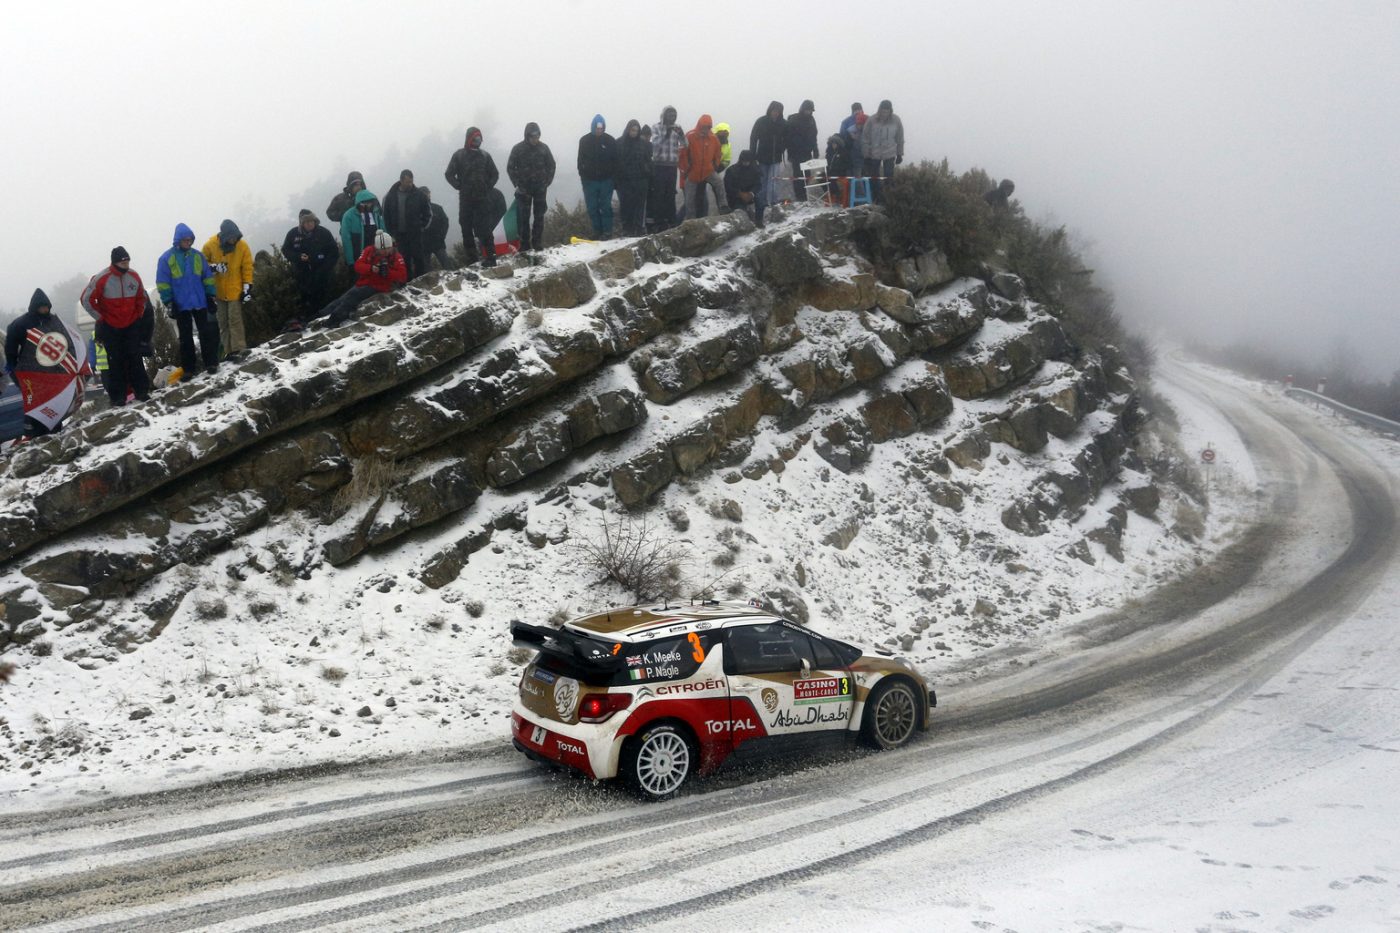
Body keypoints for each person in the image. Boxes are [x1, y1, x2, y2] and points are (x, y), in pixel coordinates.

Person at [4, 289, 92, 437]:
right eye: (42, 307)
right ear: (34, 307)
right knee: (34, 402)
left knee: (51, 400)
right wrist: (12, 364)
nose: (45, 310)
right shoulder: (20, 324)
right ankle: (34, 432)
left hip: (53, 371)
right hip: (30, 372)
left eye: (47, 307)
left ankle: (54, 428)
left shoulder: (54, 321)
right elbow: (11, 346)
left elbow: (65, 341)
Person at [80, 246, 150, 405]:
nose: (126, 265)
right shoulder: (102, 278)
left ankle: (142, 391)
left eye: (128, 261)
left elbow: (141, 297)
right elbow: (86, 299)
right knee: (115, 362)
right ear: (115, 262)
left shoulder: (134, 276)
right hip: (110, 327)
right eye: (123, 262)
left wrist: (138, 315)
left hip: (131, 325)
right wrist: (100, 318)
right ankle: (118, 397)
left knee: (135, 359)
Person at [156, 223, 219, 377]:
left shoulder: (198, 256)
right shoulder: (166, 258)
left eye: (190, 239)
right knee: (185, 338)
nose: (188, 242)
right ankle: (189, 369)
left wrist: (211, 296)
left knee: (206, 333)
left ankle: (211, 363)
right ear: (178, 240)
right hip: (180, 304)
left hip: (199, 301)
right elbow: (163, 282)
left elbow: (207, 277)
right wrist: (169, 302)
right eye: (185, 239)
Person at [312, 231, 407, 327]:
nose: (386, 251)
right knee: (340, 300)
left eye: (388, 248)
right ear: (376, 247)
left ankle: (334, 320)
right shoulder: (369, 251)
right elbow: (358, 265)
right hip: (364, 283)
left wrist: (387, 272)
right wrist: (371, 268)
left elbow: (402, 276)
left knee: (352, 297)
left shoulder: (397, 257)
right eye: (382, 249)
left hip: (381, 286)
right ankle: (317, 316)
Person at [444, 126, 500, 267]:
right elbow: (449, 174)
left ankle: (491, 257)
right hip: (466, 199)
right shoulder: (459, 155)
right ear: (469, 139)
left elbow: (495, 174)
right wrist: (459, 186)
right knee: (466, 228)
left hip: (483, 199)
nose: (478, 141)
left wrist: (487, 187)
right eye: (475, 138)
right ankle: (473, 260)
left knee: (485, 228)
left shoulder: (485, 156)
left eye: (480, 138)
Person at [202, 220, 254, 361]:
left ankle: (239, 349)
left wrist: (247, 286)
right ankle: (229, 351)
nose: (233, 240)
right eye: (230, 237)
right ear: (223, 235)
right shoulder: (210, 245)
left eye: (235, 237)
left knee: (235, 320)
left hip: (235, 290)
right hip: (218, 292)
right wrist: (215, 267)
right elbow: (201, 264)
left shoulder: (242, 246)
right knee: (223, 322)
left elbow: (247, 267)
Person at [280, 210, 339, 326]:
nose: (309, 224)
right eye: (306, 222)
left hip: (323, 273)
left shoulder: (323, 232)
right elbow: (285, 250)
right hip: (302, 275)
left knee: (326, 297)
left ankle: (328, 320)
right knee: (307, 300)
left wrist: (326, 268)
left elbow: (334, 252)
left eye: (311, 221)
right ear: (301, 223)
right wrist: (298, 257)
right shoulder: (293, 234)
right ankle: (310, 323)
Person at [507, 122, 556, 256]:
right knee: (524, 217)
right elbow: (510, 167)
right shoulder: (518, 149)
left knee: (539, 216)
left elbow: (551, 165)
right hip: (524, 190)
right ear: (527, 136)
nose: (536, 138)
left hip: (540, 188)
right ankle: (524, 244)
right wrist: (517, 183)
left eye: (538, 135)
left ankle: (537, 242)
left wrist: (547, 181)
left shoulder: (544, 148)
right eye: (533, 136)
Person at [383, 170, 432, 280]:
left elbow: (428, 213)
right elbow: (386, 216)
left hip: (415, 234)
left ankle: (421, 281)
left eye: (411, 181)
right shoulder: (390, 196)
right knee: (403, 260)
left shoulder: (419, 195)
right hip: (399, 235)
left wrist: (422, 227)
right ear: (401, 181)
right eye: (407, 182)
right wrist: (390, 233)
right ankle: (406, 283)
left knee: (418, 258)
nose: (410, 184)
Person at [679, 114, 727, 220]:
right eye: (704, 126)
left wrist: (715, 165)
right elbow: (683, 153)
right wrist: (686, 168)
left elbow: (718, 153)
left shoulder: (713, 138)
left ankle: (723, 206)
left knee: (719, 183)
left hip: (708, 170)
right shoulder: (690, 136)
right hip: (693, 173)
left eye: (708, 127)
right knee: (689, 199)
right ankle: (690, 219)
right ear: (700, 125)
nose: (706, 129)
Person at [577, 115, 617, 238]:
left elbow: (615, 161)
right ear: (593, 127)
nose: (599, 130)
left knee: (605, 206)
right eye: (597, 128)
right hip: (589, 181)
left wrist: (613, 178)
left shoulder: (610, 141)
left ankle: (607, 232)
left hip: (606, 180)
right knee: (592, 207)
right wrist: (584, 177)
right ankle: (597, 231)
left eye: (601, 128)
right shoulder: (584, 141)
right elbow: (580, 161)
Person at [649, 106, 686, 232]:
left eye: (674, 115)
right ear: (664, 115)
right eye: (670, 115)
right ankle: (658, 222)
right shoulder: (656, 127)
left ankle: (671, 220)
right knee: (659, 194)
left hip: (672, 166)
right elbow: (655, 144)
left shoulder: (677, 127)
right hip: (659, 165)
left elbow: (685, 144)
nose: (672, 117)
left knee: (670, 194)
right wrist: (667, 132)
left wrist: (681, 134)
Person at [861, 99, 904, 205]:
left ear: (890, 110)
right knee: (873, 178)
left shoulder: (896, 120)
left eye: (887, 111)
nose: (885, 113)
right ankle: (875, 199)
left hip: (890, 153)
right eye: (883, 111)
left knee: (888, 177)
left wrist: (899, 154)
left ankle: (888, 200)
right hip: (874, 154)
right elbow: (865, 138)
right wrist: (866, 155)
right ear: (879, 110)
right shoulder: (871, 120)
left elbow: (900, 138)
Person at [749, 101, 788, 215]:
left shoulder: (783, 123)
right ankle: (762, 204)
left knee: (774, 181)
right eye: (774, 110)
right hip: (762, 157)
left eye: (778, 111)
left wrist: (782, 149)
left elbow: (787, 138)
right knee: (762, 182)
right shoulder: (761, 121)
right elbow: (753, 138)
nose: (776, 113)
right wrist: (752, 155)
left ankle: (774, 203)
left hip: (776, 157)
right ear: (770, 110)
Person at [616, 119, 653, 236]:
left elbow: (649, 160)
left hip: (640, 180)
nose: (634, 132)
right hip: (624, 181)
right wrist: (617, 180)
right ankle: (627, 229)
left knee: (640, 206)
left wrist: (647, 173)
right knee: (626, 205)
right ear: (628, 129)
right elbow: (615, 162)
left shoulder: (644, 144)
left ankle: (639, 228)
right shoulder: (619, 143)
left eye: (636, 130)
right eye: (632, 130)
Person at [339, 188, 384, 265]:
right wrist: (350, 262)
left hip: (377, 255)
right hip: (358, 257)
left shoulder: (375, 214)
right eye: (364, 202)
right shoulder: (349, 216)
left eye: (369, 202)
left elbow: (384, 233)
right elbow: (346, 239)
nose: (368, 204)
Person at [786, 100, 820, 201]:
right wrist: (790, 154)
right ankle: (800, 198)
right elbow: (788, 138)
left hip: (807, 152)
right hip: (795, 153)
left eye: (810, 110)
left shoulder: (811, 120)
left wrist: (815, 149)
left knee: (807, 175)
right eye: (807, 110)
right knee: (798, 176)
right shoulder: (793, 120)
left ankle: (804, 196)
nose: (809, 112)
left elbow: (814, 136)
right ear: (803, 109)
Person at [724, 149, 763, 225]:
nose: (746, 163)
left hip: (750, 195)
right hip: (736, 197)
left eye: (748, 161)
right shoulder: (731, 170)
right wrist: (740, 194)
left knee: (760, 201)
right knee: (741, 214)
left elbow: (758, 185)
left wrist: (751, 193)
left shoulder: (755, 170)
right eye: (744, 161)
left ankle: (759, 221)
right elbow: (728, 187)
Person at [421, 188, 454, 271]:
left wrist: (441, 236)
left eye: (427, 193)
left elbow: (445, 222)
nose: (426, 195)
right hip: (424, 243)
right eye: (424, 194)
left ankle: (452, 278)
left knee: (446, 265)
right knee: (426, 269)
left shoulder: (437, 208)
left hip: (437, 241)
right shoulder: (417, 211)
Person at [839, 103, 865, 180]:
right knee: (853, 177)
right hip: (851, 154)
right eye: (855, 110)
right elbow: (842, 137)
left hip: (867, 154)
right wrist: (850, 137)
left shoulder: (869, 119)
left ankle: (867, 192)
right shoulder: (846, 122)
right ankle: (855, 192)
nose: (857, 112)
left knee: (867, 177)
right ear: (852, 111)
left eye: (859, 110)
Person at [825, 134, 853, 205]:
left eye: (835, 143)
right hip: (830, 172)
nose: (833, 145)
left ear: (838, 143)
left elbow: (848, 164)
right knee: (820, 178)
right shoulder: (829, 152)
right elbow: (826, 163)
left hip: (841, 172)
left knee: (831, 179)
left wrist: (839, 168)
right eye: (832, 143)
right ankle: (832, 194)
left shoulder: (843, 152)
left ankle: (836, 194)